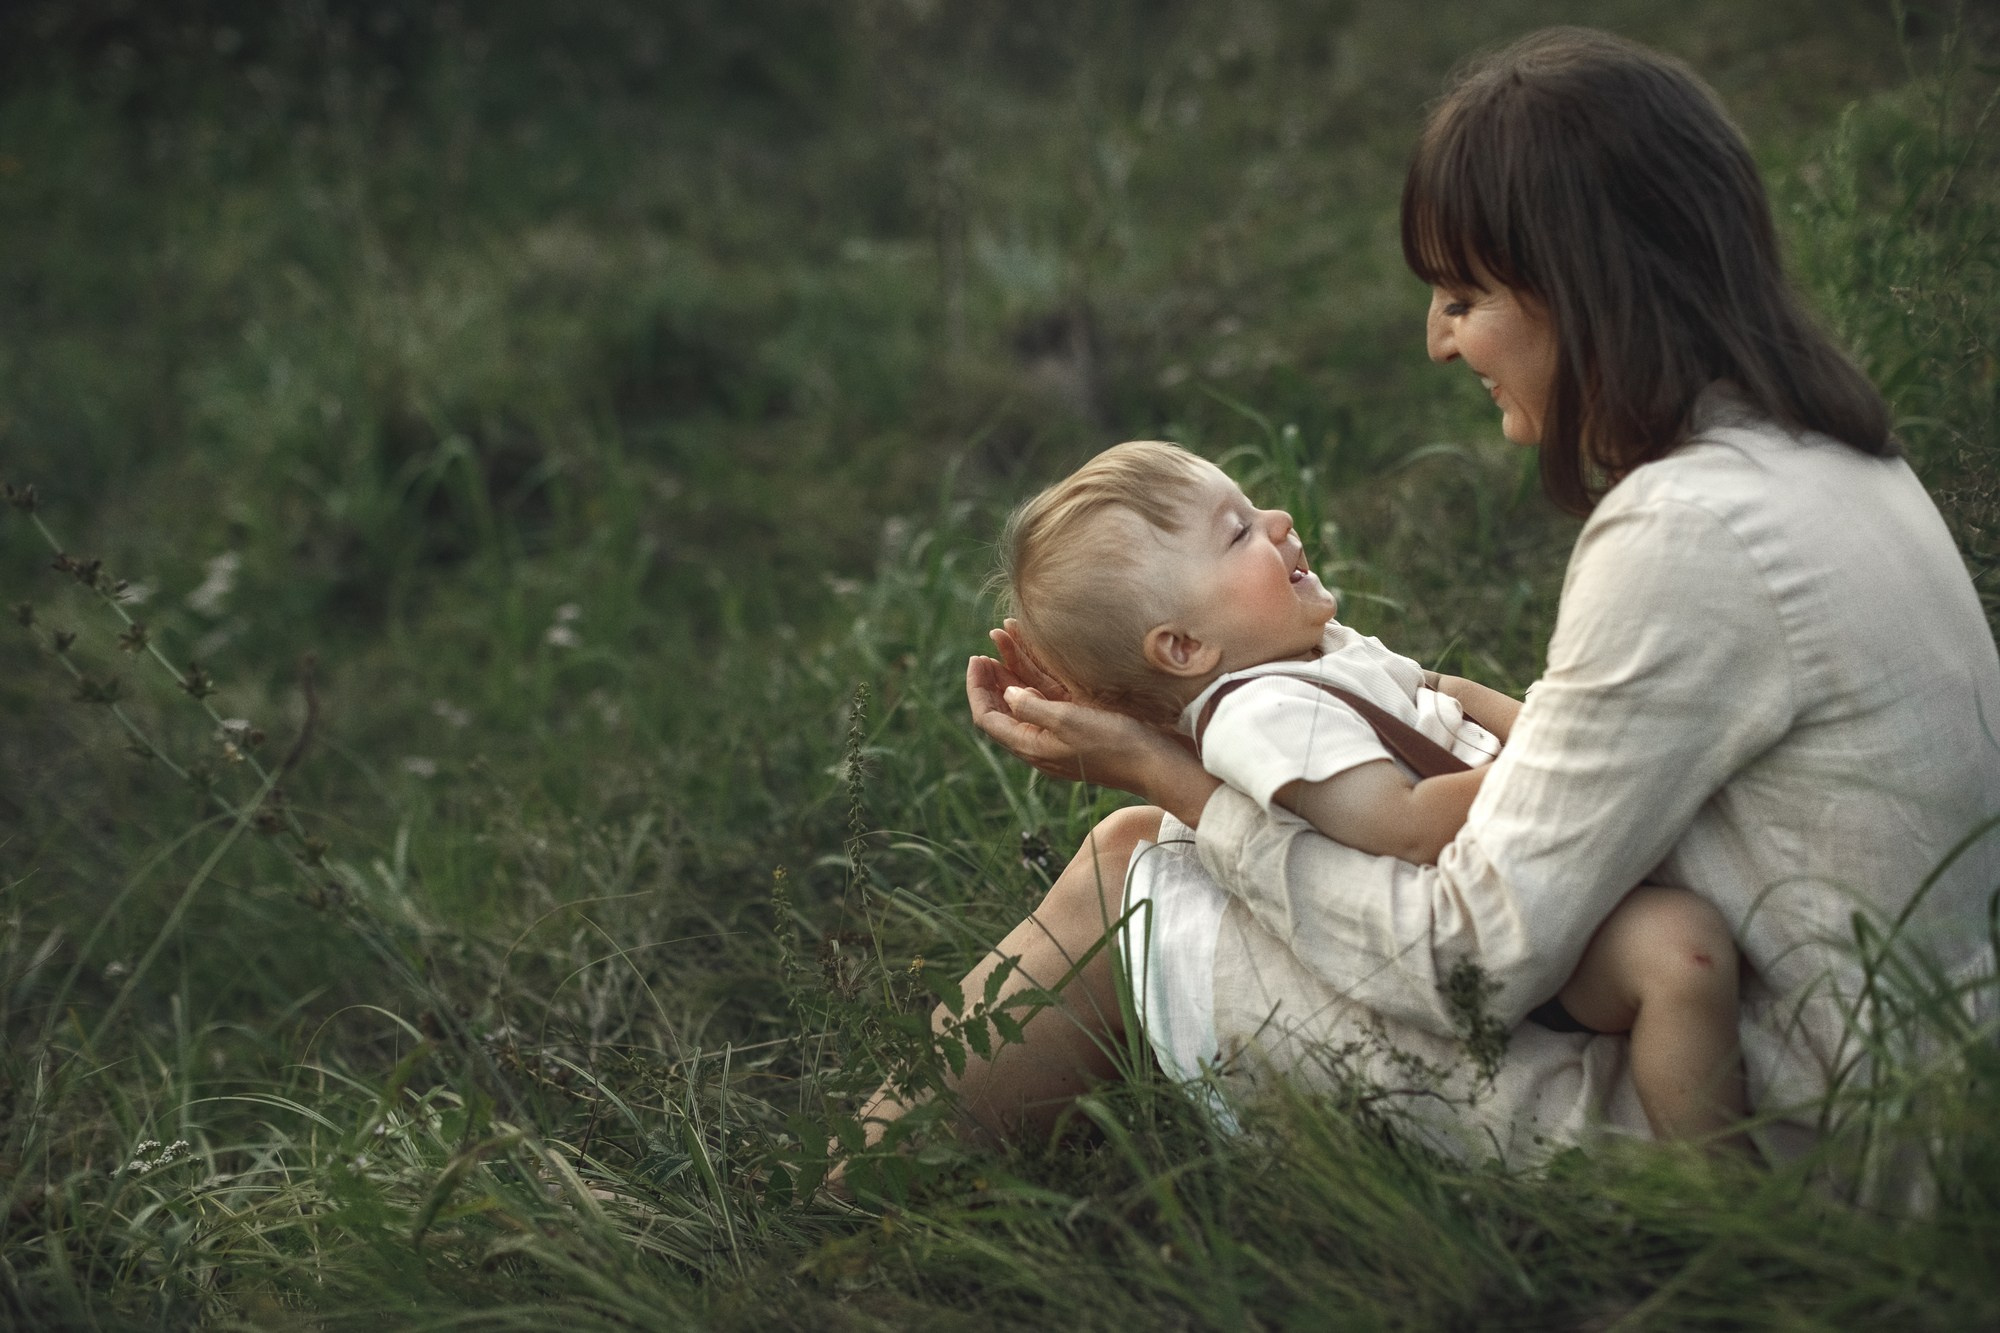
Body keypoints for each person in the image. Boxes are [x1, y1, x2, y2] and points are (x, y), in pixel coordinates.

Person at [868, 26, 2000, 1171]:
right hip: (1903, 1078)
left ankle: (832, 1201)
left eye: (1461, 296)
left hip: (1802, 1133)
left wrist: (1167, 775)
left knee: (1131, 872)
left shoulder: (1685, 531)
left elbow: (1468, 963)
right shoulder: (1824, 455)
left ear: (1579, 285)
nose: (1436, 343)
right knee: (1159, 844)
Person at [992, 437, 1744, 1142]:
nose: (1278, 520)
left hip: (1537, 860)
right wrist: (1561, 766)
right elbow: (1405, 824)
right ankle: (1713, 1176)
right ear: (1184, 646)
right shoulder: (1262, 715)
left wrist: (1559, 732)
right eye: (1239, 532)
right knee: (1678, 954)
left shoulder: (1317, 654)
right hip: (1507, 917)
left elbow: (1441, 689)